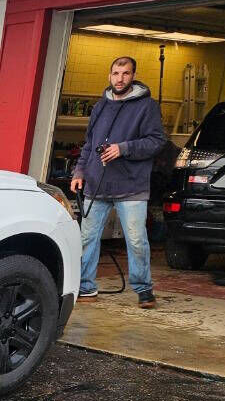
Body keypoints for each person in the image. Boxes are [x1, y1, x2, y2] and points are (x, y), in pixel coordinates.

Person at [70, 56, 168, 308]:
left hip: (132, 186)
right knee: (86, 238)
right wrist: (79, 171)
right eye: (115, 73)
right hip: (97, 183)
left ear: (133, 76)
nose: (120, 78)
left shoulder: (147, 107)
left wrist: (123, 148)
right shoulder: (100, 106)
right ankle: (86, 286)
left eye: (125, 73)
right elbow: (89, 145)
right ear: (109, 75)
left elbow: (157, 141)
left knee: (136, 240)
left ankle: (144, 289)